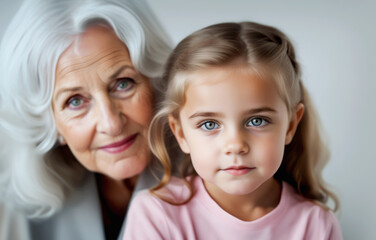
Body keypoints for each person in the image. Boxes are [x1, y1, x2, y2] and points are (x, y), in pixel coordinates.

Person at [123, 21, 343, 239]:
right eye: (209, 124)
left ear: (291, 125)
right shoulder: (156, 215)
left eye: (257, 121)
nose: (235, 145)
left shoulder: (316, 225)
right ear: (181, 134)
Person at [0, 0, 174, 239]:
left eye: (123, 84)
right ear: (49, 124)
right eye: (75, 101)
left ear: (154, 83)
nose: (111, 124)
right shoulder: (24, 211)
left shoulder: (220, 176)